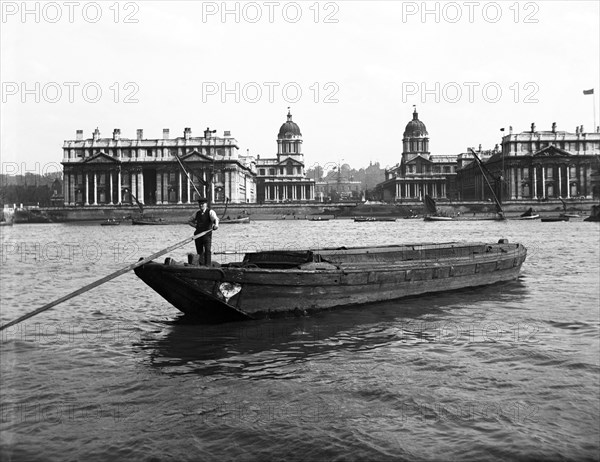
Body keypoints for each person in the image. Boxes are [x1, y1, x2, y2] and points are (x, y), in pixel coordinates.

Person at [188, 198, 219, 266]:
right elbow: (189, 221)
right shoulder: (197, 213)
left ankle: (208, 265)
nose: (201, 205)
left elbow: (216, 219)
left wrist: (216, 225)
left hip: (207, 235)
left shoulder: (210, 212)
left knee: (207, 250)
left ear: (206, 204)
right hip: (198, 235)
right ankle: (201, 265)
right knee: (199, 251)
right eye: (200, 204)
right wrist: (195, 226)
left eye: (202, 204)